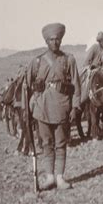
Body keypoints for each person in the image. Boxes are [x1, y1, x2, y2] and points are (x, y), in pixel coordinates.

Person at [24, 22, 81, 190]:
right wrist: (28, 107)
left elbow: (77, 85)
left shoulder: (69, 59)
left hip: (62, 106)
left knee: (61, 143)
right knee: (46, 143)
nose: (55, 43)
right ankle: (49, 177)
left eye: (58, 39)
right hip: (42, 109)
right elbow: (27, 85)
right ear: (46, 42)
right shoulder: (37, 61)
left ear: (61, 41)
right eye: (51, 40)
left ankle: (60, 177)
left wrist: (75, 107)